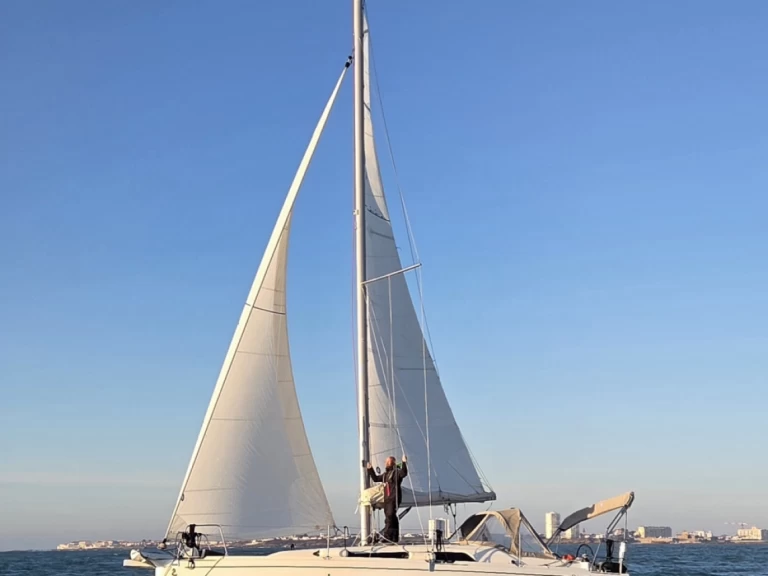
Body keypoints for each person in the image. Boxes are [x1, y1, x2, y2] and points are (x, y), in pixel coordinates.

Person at [366, 455, 407, 543]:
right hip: (387, 499)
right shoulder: (385, 475)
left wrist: (404, 462)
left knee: (390, 516)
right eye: (386, 462)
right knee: (391, 517)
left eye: (388, 462)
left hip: (394, 498)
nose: (386, 463)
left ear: (392, 463)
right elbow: (376, 478)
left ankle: (387, 537)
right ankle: (394, 537)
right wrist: (370, 469)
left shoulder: (397, 473)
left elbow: (404, 473)